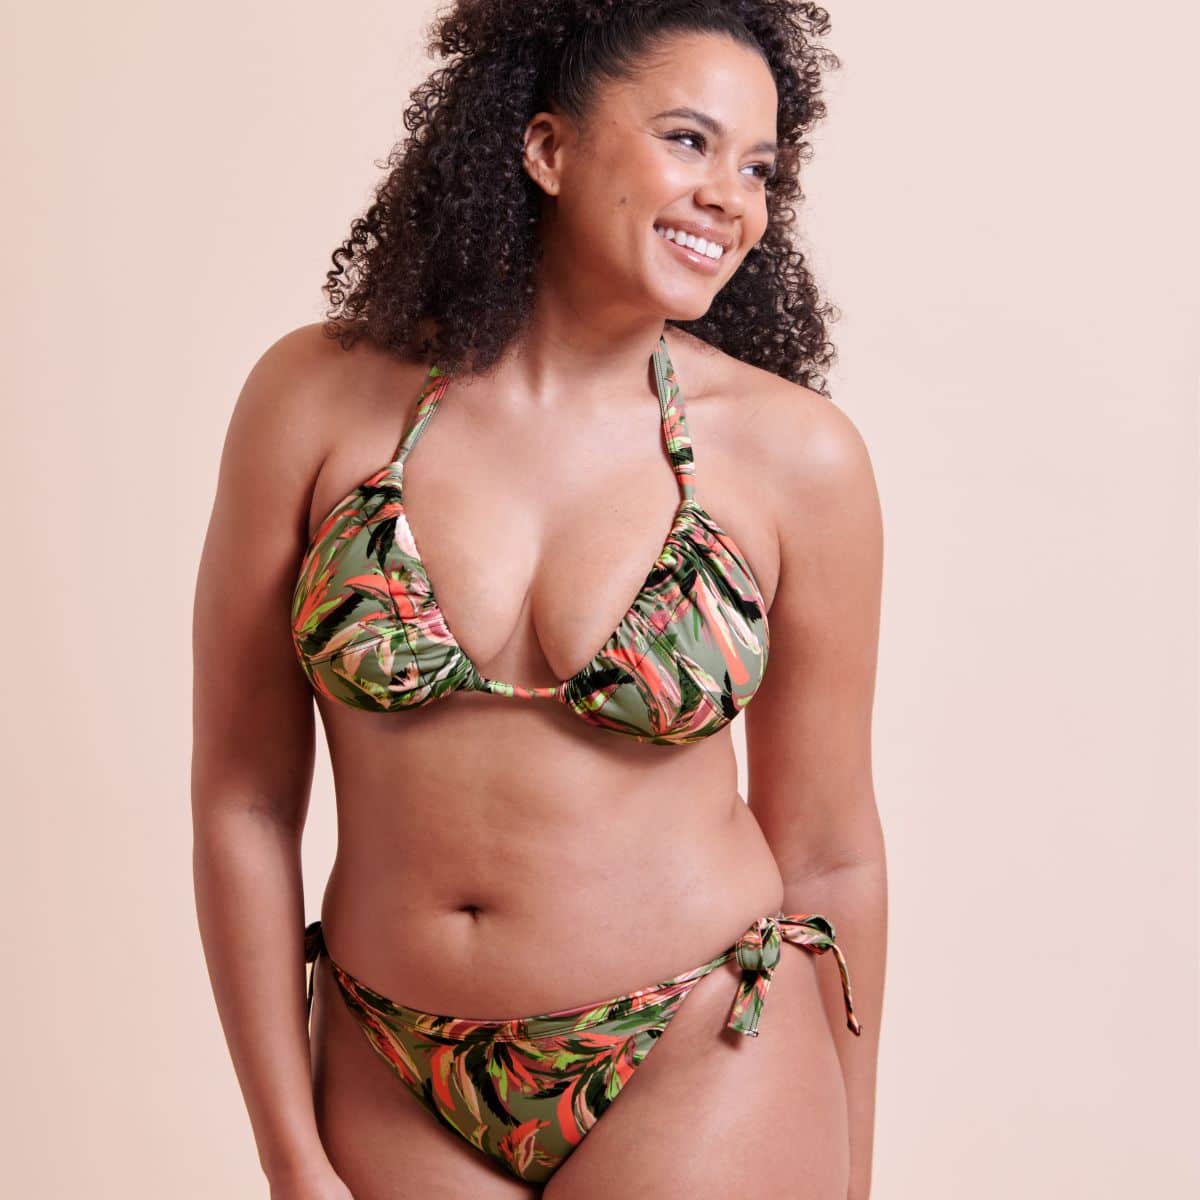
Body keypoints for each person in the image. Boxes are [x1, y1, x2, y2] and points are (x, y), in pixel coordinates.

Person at [192, 2, 886, 1197]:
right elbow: (243, 801)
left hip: (701, 1049)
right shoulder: (314, 399)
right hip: (387, 1058)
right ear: (549, 148)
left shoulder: (796, 457)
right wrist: (288, 1154)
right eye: (688, 140)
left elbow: (829, 856)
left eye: (759, 168)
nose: (731, 196)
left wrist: (851, 1169)